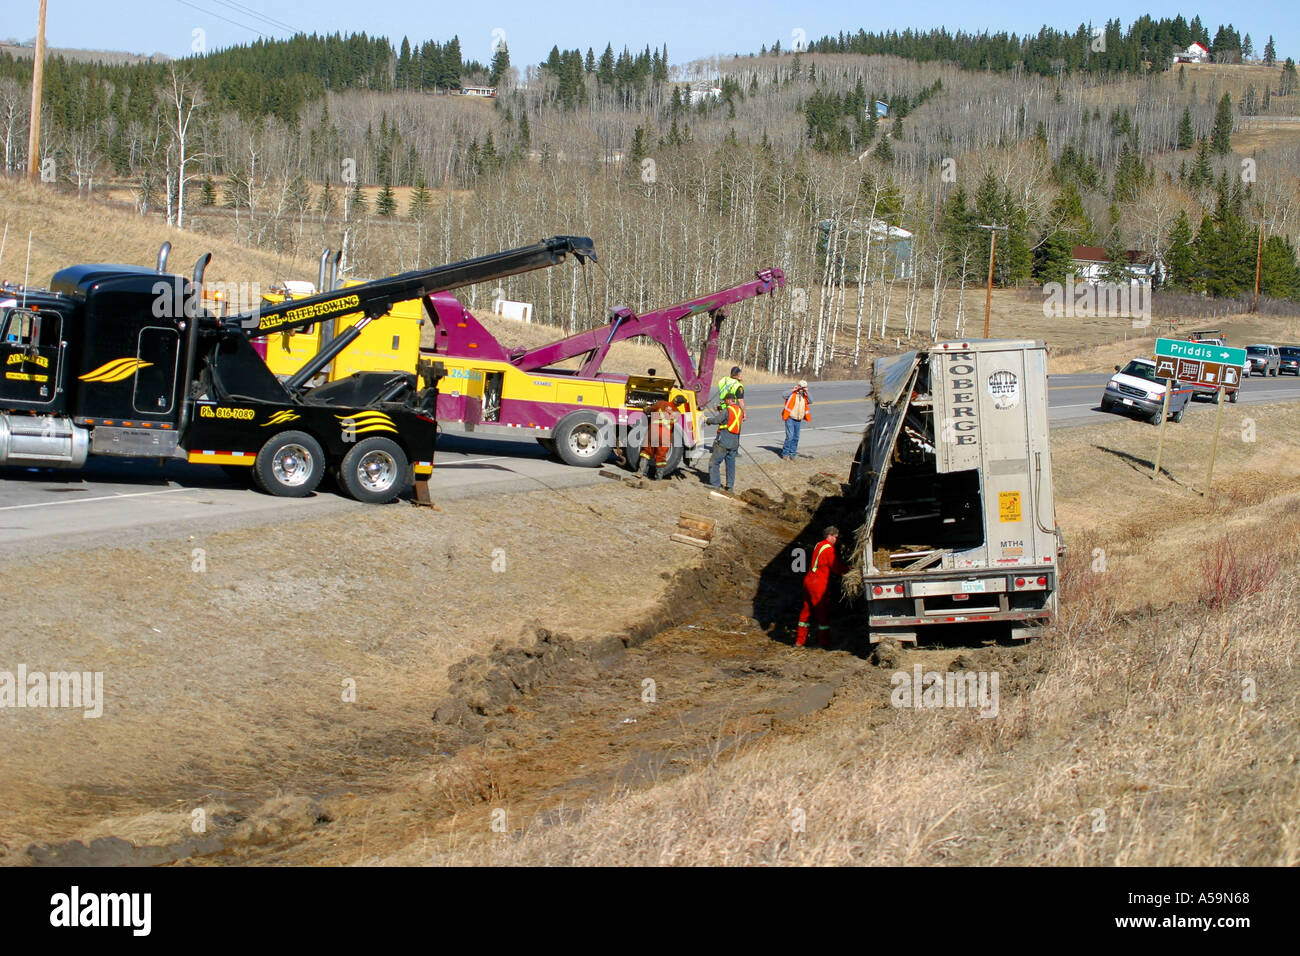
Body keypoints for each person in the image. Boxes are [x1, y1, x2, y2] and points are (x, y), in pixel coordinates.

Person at [797, 526, 849, 648]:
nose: (836, 540)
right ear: (829, 536)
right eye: (835, 537)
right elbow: (834, 566)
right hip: (818, 583)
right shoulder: (829, 549)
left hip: (808, 580)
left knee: (806, 611)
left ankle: (800, 641)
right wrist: (847, 570)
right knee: (822, 613)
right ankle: (823, 643)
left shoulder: (819, 545)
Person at [636, 395, 686, 478]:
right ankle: (658, 478)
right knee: (661, 456)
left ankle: (640, 472)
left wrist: (644, 406)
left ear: (674, 399)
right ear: (680, 404)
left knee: (646, 451)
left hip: (654, 432)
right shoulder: (678, 414)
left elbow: (648, 411)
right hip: (665, 435)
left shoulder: (661, 403)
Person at [704, 396, 743, 491]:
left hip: (724, 440)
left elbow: (717, 420)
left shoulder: (727, 410)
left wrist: (706, 420)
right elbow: (729, 420)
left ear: (729, 400)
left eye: (726, 401)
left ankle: (715, 484)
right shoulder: (739, 410)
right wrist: (720, 410)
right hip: (734, 442)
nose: (725, 403)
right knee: (730, 465)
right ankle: (730, 486)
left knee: (714, 462)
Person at [781, 380, 811, 460]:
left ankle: (792, 454)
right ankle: (785, 454)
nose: (801, 389)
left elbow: (811, 401)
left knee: (796, 437)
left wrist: (807, 392)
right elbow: (783, 395)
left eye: (803, 387)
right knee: (790, 437)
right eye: (801, 387)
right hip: (790, 418)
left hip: (798, 419)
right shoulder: (792, 394)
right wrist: (793, 390)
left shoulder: (804, 396)